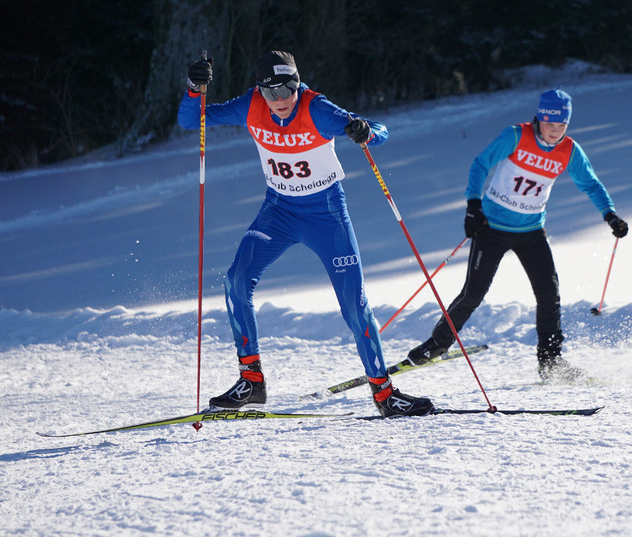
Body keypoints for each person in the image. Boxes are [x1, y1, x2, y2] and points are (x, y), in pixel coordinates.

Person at [178, 50, 434, 417]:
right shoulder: (250, 105)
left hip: (326, 217)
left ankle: (384, 394)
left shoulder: (317, 109)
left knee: (354, 305)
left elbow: (380, 131)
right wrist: (194, 87)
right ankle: (251, 381)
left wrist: (364, 131)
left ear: (298, 85)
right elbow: (192, 121)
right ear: (259, 90)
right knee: (236, 280)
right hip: (278, 213)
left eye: (288, 89)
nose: (281, 100)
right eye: (272, 92)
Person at [406, 89, 628, 381]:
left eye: (562, 126)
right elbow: (480, 164)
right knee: (474, 292)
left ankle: (550, 361)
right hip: (492, 229)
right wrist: (473, 205)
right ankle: (438, 343)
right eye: (550, 125)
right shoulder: (515, 136)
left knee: (549, 294)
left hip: (532, 232)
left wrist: (609, 214)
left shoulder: (569, 150)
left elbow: (591, 183)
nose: (555, 132)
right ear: (540, 118)